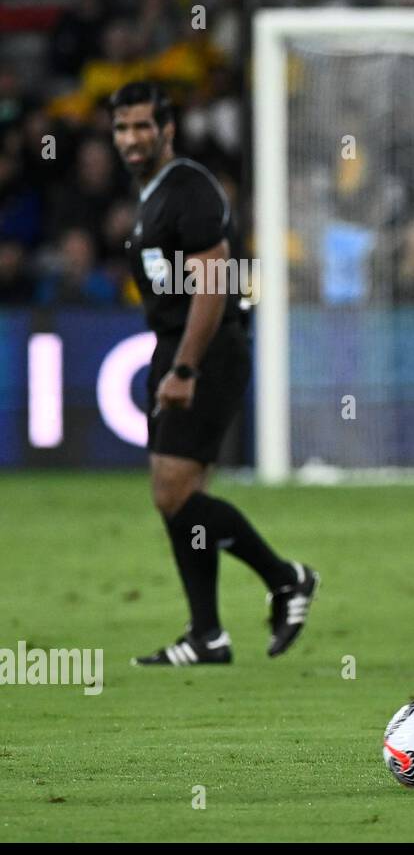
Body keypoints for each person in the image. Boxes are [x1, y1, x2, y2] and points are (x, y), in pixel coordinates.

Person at [108, 81, 319, 666]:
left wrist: (184, 367)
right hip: (178, 348)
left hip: (205, 352)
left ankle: (286, 578)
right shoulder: (152, 196)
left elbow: (213, 284)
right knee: (179, 495)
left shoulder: (190, 189)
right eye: (122, 128)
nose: (131, 138)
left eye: (142, 126)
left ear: (167, 128)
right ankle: (207, 635)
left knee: (173, 492)